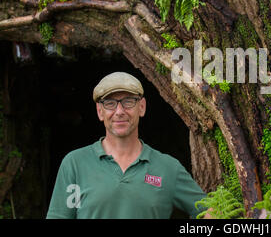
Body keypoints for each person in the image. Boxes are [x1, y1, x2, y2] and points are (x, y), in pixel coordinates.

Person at [46, 72, 206, 219]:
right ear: (100, 111)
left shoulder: (168, 168)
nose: (119, 111)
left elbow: (211, 212)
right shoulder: (75, 163)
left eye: (128, 102)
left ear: (141, 107)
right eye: (110, 103)